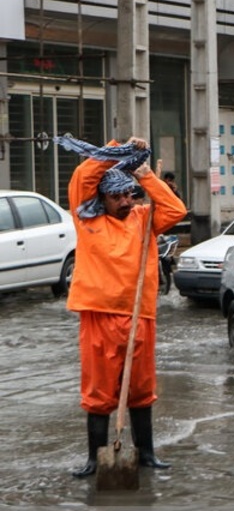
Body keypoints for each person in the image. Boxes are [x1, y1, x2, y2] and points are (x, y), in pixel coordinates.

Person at [56, 136, 187, 478]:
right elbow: (84, 176)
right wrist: (120, 147)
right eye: (116, 196)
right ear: (101, 198)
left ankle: (147, 454)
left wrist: (145, 176)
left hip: (139, 315)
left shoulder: (144, 219)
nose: (125, 201)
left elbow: (176, 211)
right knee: (99, 392)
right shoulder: (88, 221)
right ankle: (93, 458)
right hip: (99, 316)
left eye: (128, 194)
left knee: (141, 391)